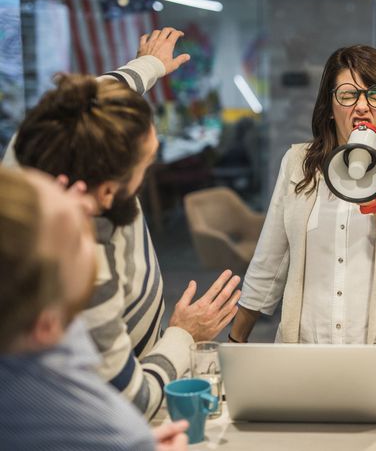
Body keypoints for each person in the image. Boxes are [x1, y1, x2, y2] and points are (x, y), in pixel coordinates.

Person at [7, 28, 241, 419]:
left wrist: (148, 65)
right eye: (144, 164)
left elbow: (95, 99)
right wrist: (183, 335)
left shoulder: (40, 142)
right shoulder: (85, 272)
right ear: (106, 192)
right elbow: (132, 402)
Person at [229, 45, 376, 357]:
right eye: (347, 95)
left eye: (375, 95)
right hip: (305, 354)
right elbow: (269, 261)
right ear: (329, 106)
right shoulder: (298, 162)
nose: (362, 107)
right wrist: (234, 343)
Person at [0, 167, 188, 451]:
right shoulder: (110, 431)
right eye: (77, 240)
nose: (87, 205)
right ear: (47, 325)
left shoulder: (24, 330)